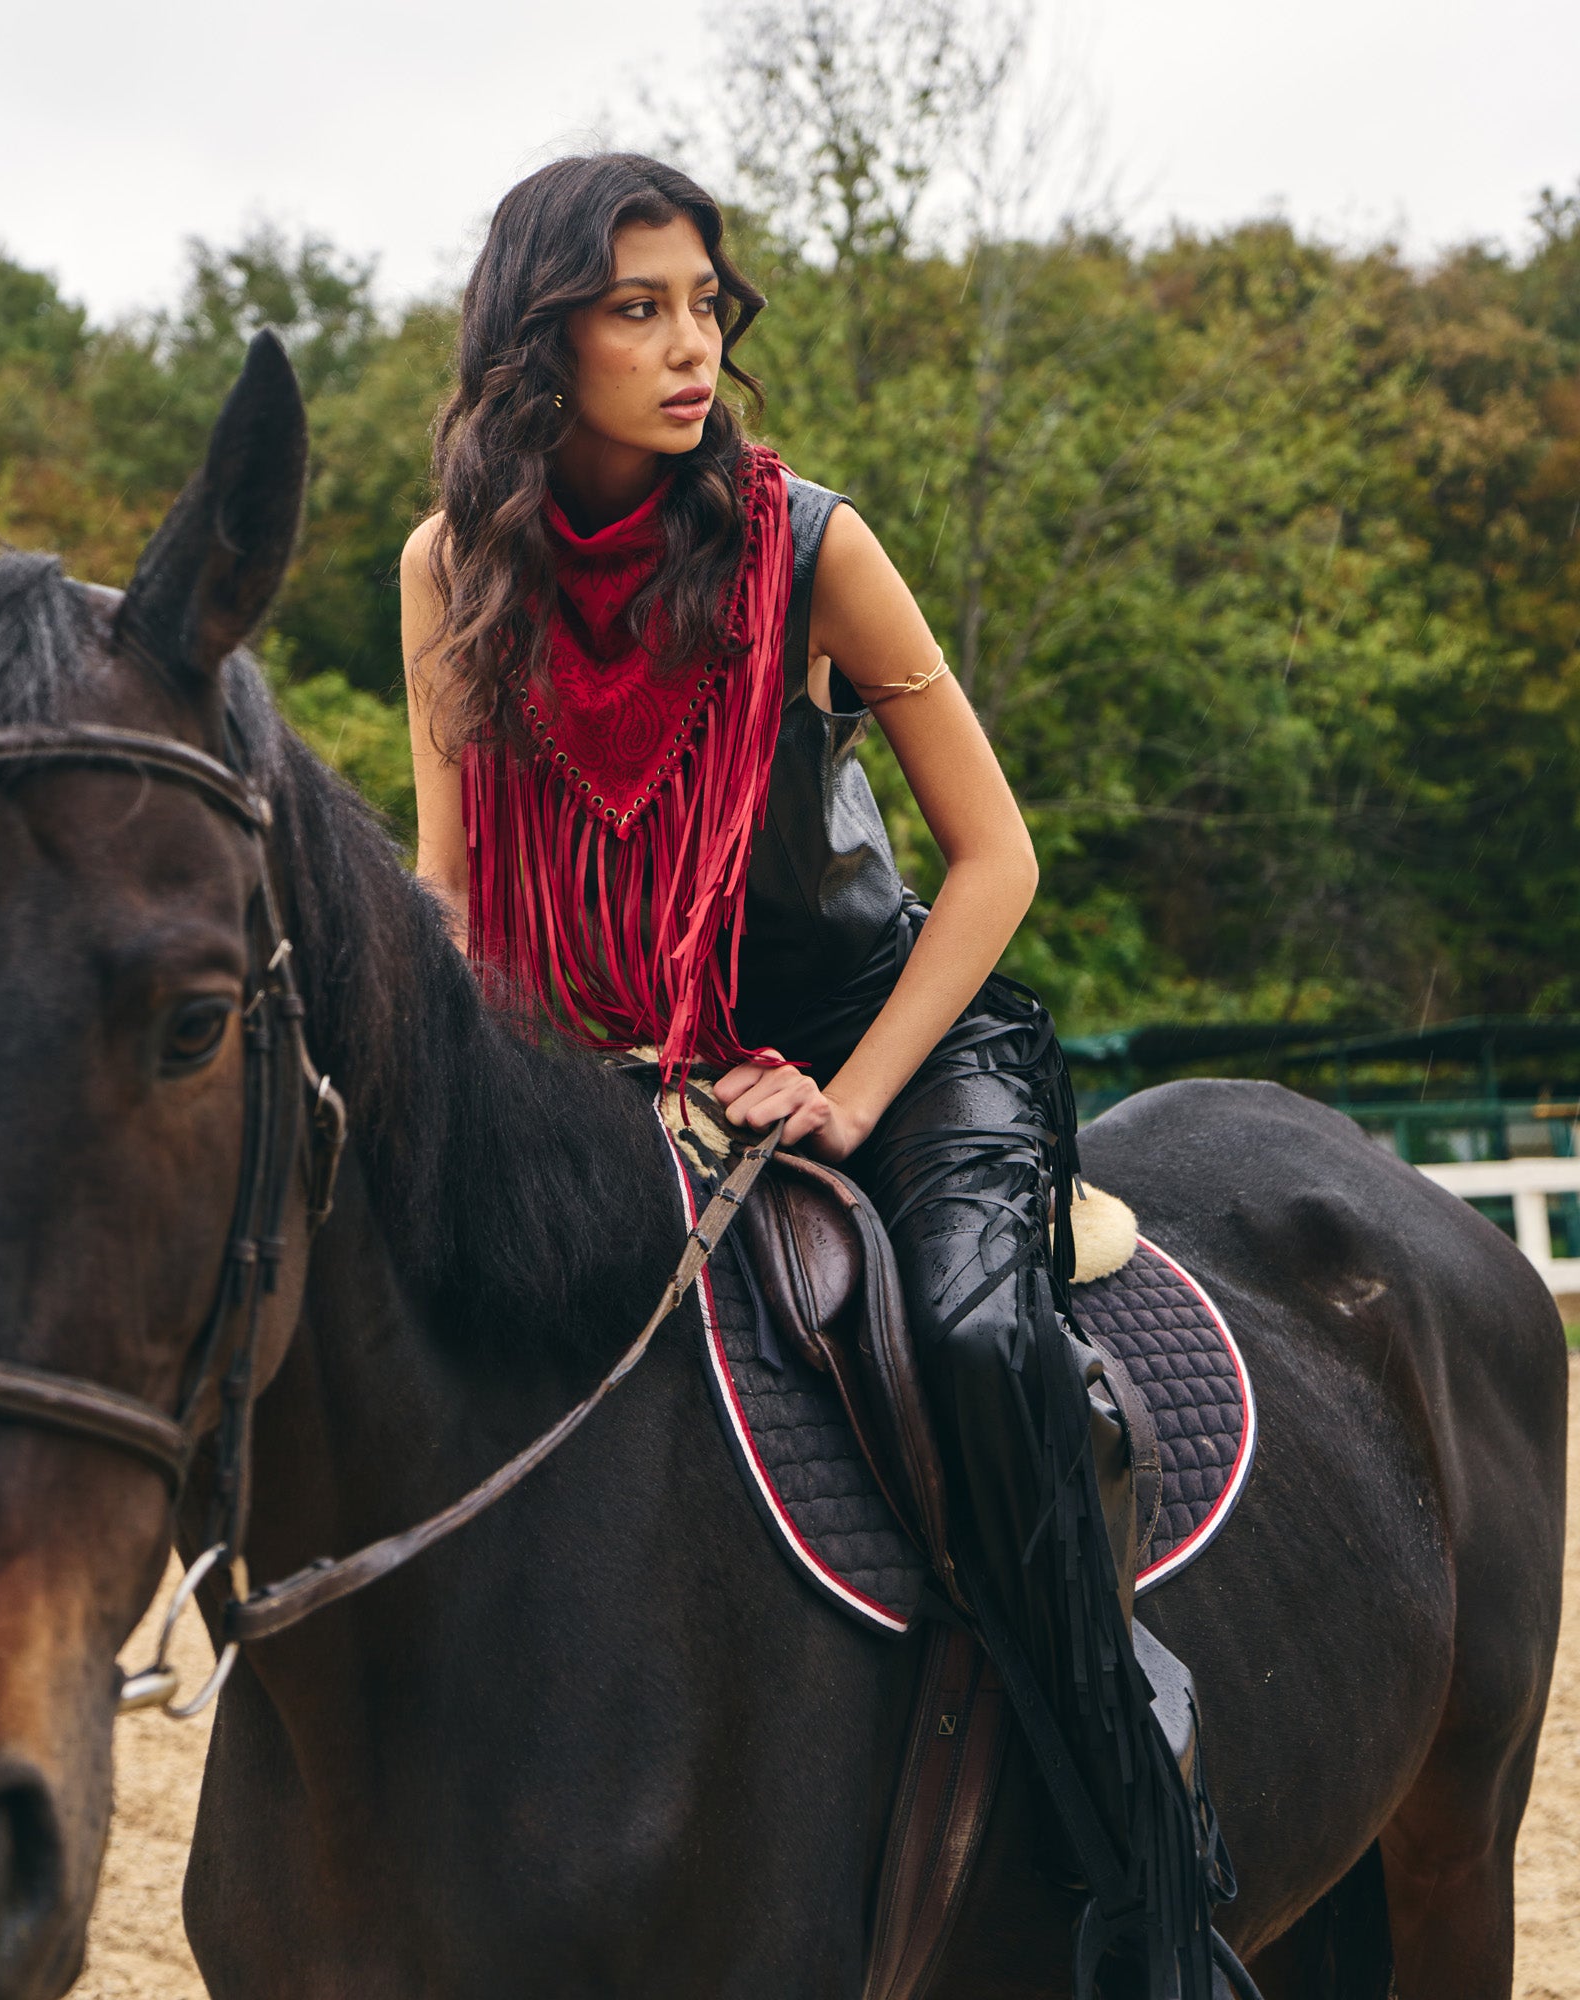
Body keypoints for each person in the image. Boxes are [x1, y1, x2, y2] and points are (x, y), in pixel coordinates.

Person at [401, 152, 1226, 2000]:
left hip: (894, 1044)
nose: (691, 346)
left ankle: (1133, 1848)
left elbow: (996, 860)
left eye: (706, 305)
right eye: (639, 309)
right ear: (541, 340)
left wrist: (846, 1094)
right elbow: (451, 896)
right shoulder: (450, 569)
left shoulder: (806, 545)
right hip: (614, 1057)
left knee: (982, 1335)